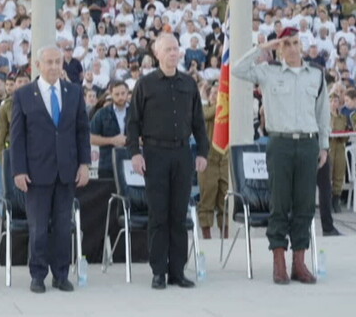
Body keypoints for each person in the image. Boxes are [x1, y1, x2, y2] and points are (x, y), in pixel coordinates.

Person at [232, 27, 330, 285]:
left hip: (308, 143)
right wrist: (264, 48)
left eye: (296, 43)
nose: (293, 49)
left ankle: (299, 261)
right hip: (280, 144)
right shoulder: (269, 71)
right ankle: (279, 261)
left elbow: (323, 113)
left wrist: (324, 145)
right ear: (279, 48)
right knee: (280, 202)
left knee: (306, 204)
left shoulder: (316, 75)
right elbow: (237, 70)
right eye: (286, 44)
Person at [127, 33, 208, 290]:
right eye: (169, 49)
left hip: (182, 154)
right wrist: (135, 153)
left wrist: (203, 152)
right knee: (159, 215)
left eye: (176, 49)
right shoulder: (145, 84)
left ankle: (177, 271)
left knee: (178, 214)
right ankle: (158, 271)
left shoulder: (188, 83)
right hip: (154, 154)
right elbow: (133, 122)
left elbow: (198, 122)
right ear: (158, 54)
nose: (174, 53)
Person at [11, 45, 91, 294]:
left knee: (63, 225)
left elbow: (82, 131)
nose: (55, 66)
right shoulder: (24, 94)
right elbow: (17, 137)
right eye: (50, 62)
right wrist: (18, 171)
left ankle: (61, 274)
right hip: (37, 172)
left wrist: (84, 164)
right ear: (38, 65)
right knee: (38, 227)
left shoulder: (74, 93)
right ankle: (38, 274)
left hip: (67, 171)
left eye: (58, 62)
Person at [197, 83, 229, 239]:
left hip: (224, 158)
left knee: (225, 199)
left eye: (220, 93)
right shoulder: (205, 110)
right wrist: (203, 98)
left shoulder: (227, 110)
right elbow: (205, 115)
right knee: (207, 198)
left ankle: (225, 235)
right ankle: (207, 235)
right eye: (214, 93)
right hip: (209, 158)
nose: (217, 96)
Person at [89, 81, 129, 179]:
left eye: (123, 93)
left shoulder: (137, 112)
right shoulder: (102, 113)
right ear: (111, 94)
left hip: (132, 163)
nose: (120, 97)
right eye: (117, 94)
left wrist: (129, 140)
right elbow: (90, 138)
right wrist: (112, 140)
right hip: (107, 164)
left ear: (127, 92)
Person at [0, 72, 30, 160]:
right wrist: (2, 157)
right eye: (19, 81)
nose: (22, 84)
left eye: (26, 81)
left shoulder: (37, 102)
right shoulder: (6, 105)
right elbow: (1, 132)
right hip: (12, 150)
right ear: (15, 84)